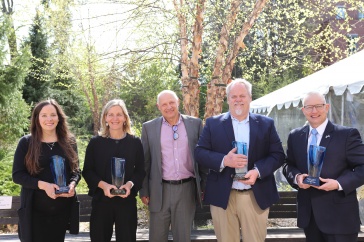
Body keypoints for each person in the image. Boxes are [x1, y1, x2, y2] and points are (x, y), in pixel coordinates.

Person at [195, 79, 285, 242]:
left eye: (242, 96)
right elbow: (199, 153)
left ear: (250, 97)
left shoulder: (266, 124)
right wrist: (224, 160)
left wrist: (257, 171)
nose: (238, 100)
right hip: (223, 197)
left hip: (254, 195)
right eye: (233, 96)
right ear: (228, 99)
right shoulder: (213, 124)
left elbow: (278, 155)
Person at [283, 91, 364, 242]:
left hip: (340, 219)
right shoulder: (295, 136)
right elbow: (288, 165)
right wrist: (297, 177)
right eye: (309, 107)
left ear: (326, 107)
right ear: (303, 110)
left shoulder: (346, 135)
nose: (314, 111)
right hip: (310, 218)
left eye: (318, 106)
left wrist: (338, 184)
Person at [139, 90, 204, 242]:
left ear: (178, 102)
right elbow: (145, 162)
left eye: (171, 102)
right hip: (158, 190)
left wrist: (203, 186)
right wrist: (144, 190)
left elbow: (202, 158)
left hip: (186, 189)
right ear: (158, 107)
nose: (168, 107)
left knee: (183, 237)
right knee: (157, 237)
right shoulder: (149, 128)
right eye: (164, 104)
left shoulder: (195, 124)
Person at [12, 99, 81, 242]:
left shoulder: (69, 141)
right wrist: (44, 185)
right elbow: (17, 175)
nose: (49, 119)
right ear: (37, 118)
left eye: (53, 114)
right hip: (34, 213)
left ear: (59, 117)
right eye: (44, 115)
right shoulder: (26, 143)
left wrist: (72, 185)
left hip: (61, 212)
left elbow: (76, 171)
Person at [82, 99, 145, 242]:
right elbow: (87, 171)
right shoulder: (95, 143)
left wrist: (129, 185)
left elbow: (140, 171)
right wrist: (104, 186)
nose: (114, 118)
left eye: (119, 114)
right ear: (105, 118)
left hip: (126, 201)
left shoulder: (135, 142)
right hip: (101, 201)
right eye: (110, 114)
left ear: (125, 118)